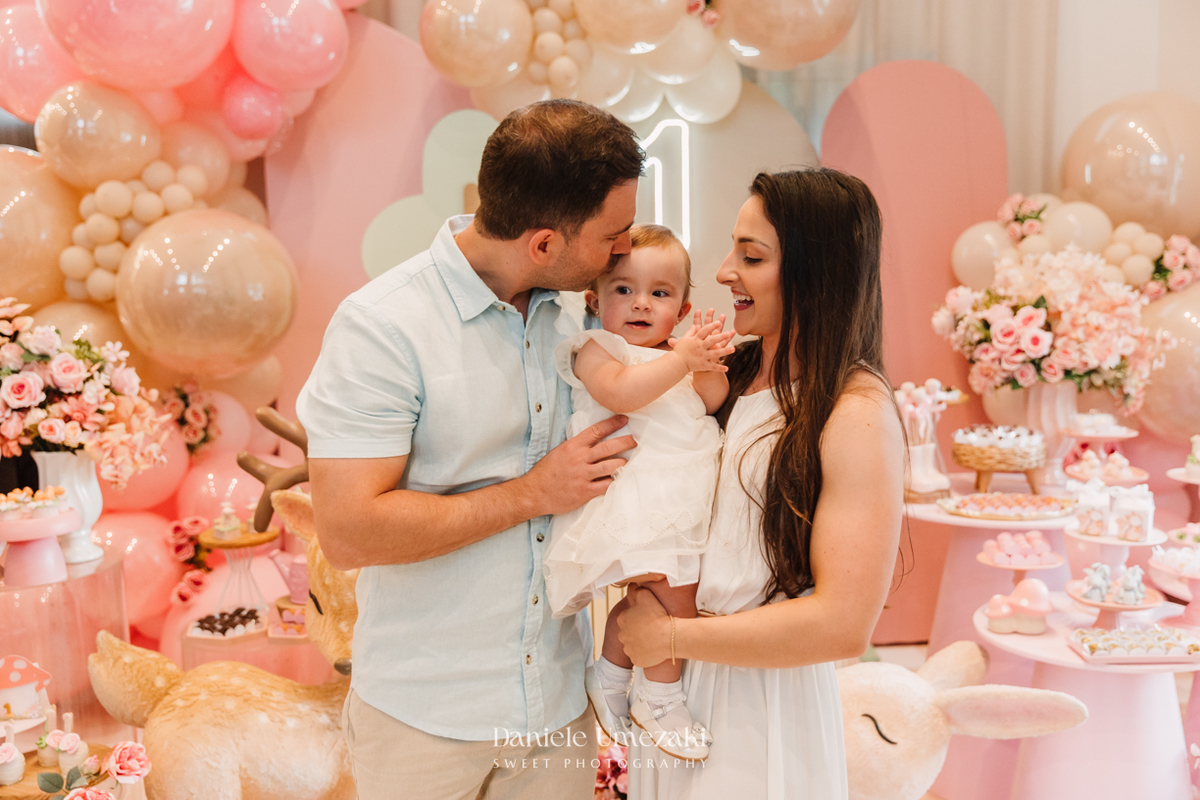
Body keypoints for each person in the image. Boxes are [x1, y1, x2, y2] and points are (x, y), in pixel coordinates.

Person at [296, 99, 644, 800]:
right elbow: (349, 530)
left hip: (555, 708)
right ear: (543, 243)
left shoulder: (583, 312)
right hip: (422, 719)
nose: (624, 248)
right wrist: (533, 494)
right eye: (615, 233)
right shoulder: (383, 328)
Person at [617, 169, 905, 799]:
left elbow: (842, 623)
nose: (724, 272)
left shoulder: (854, 411)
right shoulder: (725, 374)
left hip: (760, 699)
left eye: (751, 256)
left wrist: (668, 636)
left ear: (815, 271)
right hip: (673, 684)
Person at [543, 224, 733, 761]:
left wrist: (708, 364)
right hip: (631, 491)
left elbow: (710, 402)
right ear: (593, 300)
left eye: (660, 293)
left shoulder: (677, 355)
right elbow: (620, 392)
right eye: (623, 289)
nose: (641, 303)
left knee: (656, 598)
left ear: (685, 307)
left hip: (681, 496)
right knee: (674, 600)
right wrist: (680, 361)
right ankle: (661, 694)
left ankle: (609, 675)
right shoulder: (597, 349)